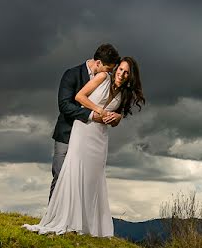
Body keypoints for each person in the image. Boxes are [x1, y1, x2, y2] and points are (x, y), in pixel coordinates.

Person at [24, 55, 145, 237]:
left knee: (93, 179)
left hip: (101, 138)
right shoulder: (103, 77)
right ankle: (68, 219)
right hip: (84, 131)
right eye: (120, 69)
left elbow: (115, 119)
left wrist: (117, 118)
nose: (122, 74)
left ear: (130, 76)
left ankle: (90, 225)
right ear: (116, 68)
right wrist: (99, 110)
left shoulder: (124, 94)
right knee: (75, 172)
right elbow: (79, 96)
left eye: (126, 72)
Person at [48, 44, 121, 201]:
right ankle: (52, 218)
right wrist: (91, 115)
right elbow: (64, 105)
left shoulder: (107, 79)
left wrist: (117, 116)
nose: (110, 73)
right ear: (98, 63)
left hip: (89, 138)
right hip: (66, 134)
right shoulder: (72, 74)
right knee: (60, 175)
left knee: (82, 181)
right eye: (108, 69)